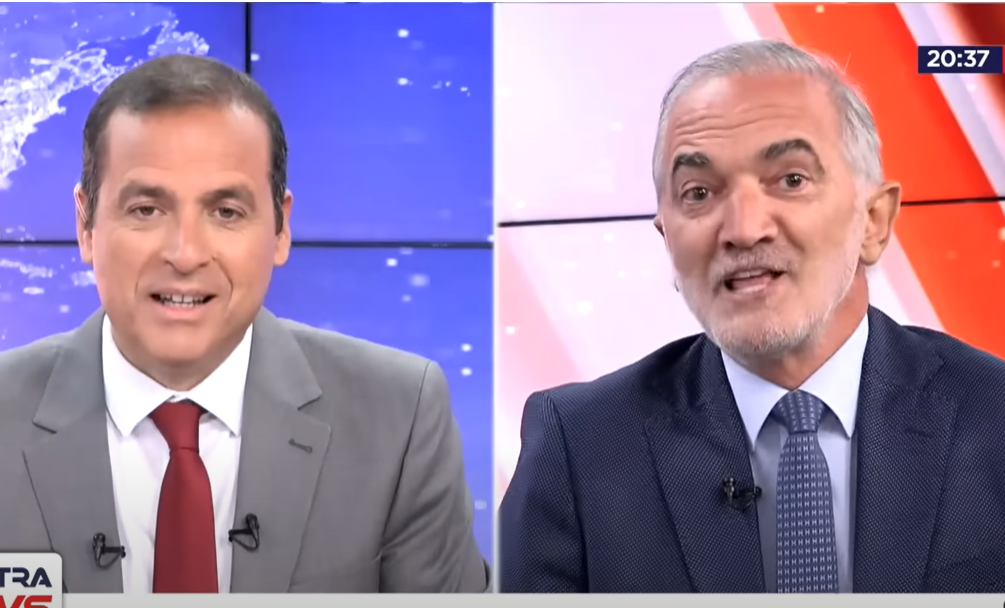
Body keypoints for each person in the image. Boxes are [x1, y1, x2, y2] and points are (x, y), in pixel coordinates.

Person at [498, 39, 1005, 593]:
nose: (743, 229)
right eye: (698, 192)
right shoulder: (581, 445)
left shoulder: (993, 414)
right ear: (666, 235)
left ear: (874, 221)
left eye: (791, 180)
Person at [0, 54, 489, 594]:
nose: (185, 253)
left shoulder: (399, 420)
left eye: (225, 212)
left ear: (280, 229)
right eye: (146, 210)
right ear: (85, 225)